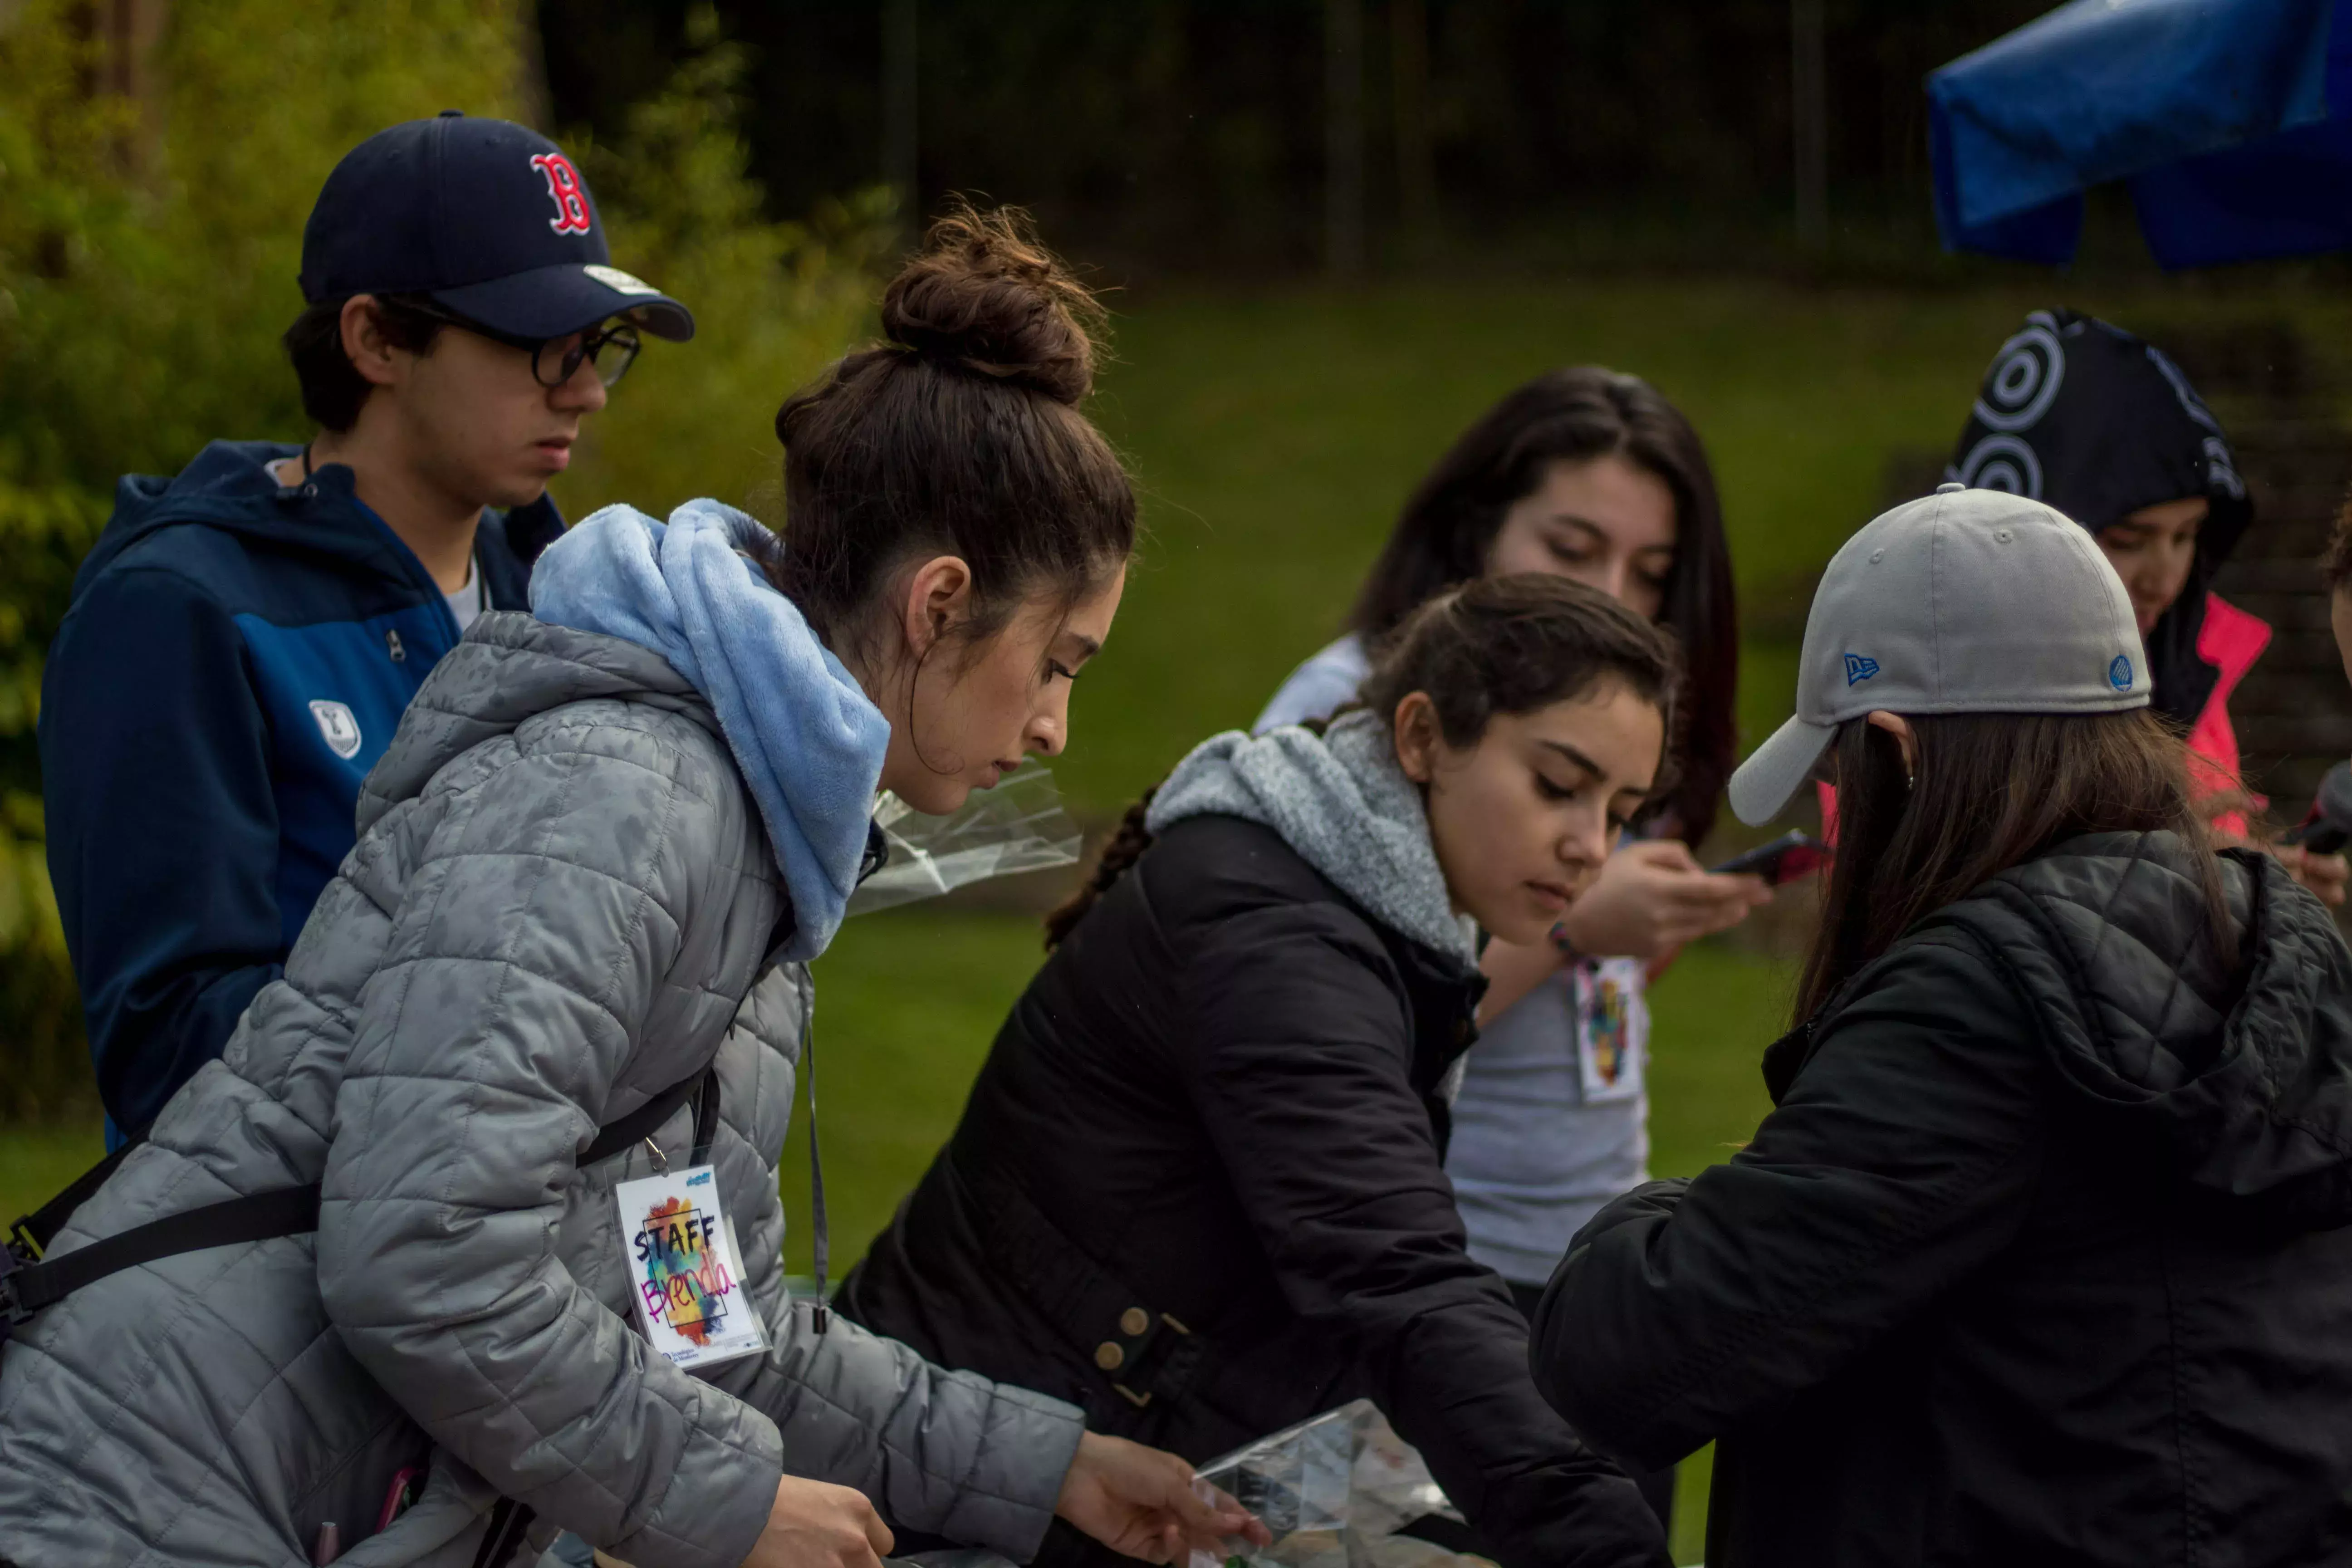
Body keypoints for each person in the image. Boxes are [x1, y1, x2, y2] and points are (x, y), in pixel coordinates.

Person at [0, 208, 1261, 1568]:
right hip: (145, 1495)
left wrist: (1048, 1462)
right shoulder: (621, 798)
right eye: (1061, 663)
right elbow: (422, 1259)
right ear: (939, 602)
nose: (1057, 729)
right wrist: (725, 1505)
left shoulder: (750, 849)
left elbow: (703, 1322)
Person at [1534, 483, 2352, 1567]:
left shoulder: (1982, 996)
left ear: (1897, 751)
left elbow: (1633, 1352)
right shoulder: (2280, 937)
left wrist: (1646, 1217)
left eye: (1840, 776)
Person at [838, 573, 1681, 1568]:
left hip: (1099, 1463)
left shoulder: (1344, 895)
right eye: (1557, 784)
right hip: (980, 1496)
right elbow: (1393, 1271)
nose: (1592, 845)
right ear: (1420, 738)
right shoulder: (1275, 935)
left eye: (1623, 809)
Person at [39, 112, 695, 1144]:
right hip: (265, 1280)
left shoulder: (560, 599)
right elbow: (171, 1050)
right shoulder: (179, 610)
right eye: (538, 348)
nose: (586, 393)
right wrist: (524, 1050)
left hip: (518, 1241)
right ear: (376, 339)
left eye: (596, 348)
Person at [1254, 368, 1763, 1523]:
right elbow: (1322, 1027)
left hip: (1596, 1266)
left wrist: (1633, 932)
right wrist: (1586, 920)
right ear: (1478, 524)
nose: (1614, 596)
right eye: (1572, 547)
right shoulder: (1357, 705)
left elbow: (1549, 991)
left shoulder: (1626, 719)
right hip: (1439, 1273)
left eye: (1652, 573)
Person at [1943, 306, 2346, 902]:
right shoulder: (1919, 688)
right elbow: (1908, 910)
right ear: (2026, 532)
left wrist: (2258, 888)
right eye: (2128, 541)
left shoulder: (2189, 669)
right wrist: (2163, 868)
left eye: (2188, 536)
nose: (2166, 578)